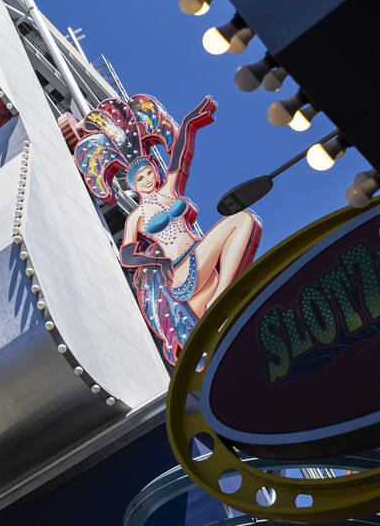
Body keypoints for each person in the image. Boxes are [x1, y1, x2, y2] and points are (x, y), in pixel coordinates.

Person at [73, 94, 262, 365]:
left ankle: (219, 306)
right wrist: (158, 261)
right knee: (241, 220)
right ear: (132, 185)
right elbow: (127, 254)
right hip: (182, 269)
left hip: (204, 268)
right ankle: (220, 300)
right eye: (140, 178)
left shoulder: (170, 191)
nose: (147, 179)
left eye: (149, 172)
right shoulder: (136, 216)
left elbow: (180, 154)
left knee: (225, 340)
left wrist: (190, 122)